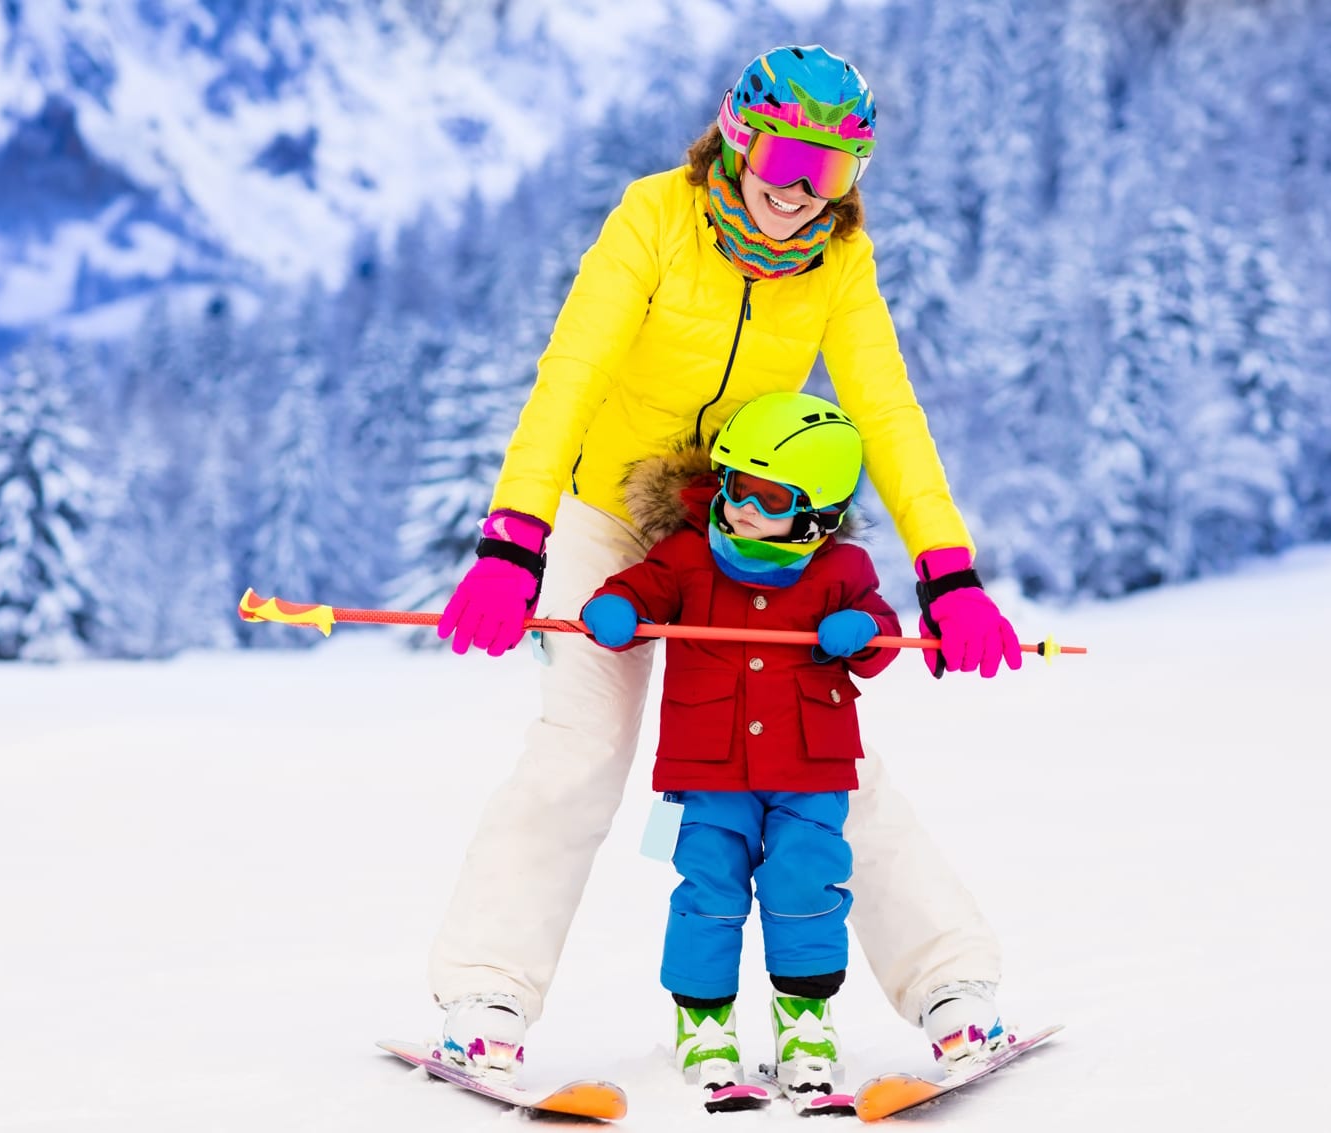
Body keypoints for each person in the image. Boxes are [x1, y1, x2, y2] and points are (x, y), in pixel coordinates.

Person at [430, 43, 1022, 1079]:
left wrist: (949, 571)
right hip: (607, 516)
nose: (800, 192)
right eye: (787, 157)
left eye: (830, 171)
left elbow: (884, 407)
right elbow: (570, 373)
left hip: (746, 528)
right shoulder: (654, 217)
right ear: (739, 135)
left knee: (825, 762)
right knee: (580, 750)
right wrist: (510, 539)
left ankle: (951, 987)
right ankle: (486, 996)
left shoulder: (837, 260)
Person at [579, 391, 900, 1098]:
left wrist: (866, 633)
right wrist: (618, 606)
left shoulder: (843, 572)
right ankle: (703, 1023)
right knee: (708, 891)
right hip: (708, 768)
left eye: (769, 496)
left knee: (805, 888)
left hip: (810, 769)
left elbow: (881, 635)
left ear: (818, 512)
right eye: (734, 485)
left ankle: (806, 1020)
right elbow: (641, 588)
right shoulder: (689, 554)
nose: (743, 507)